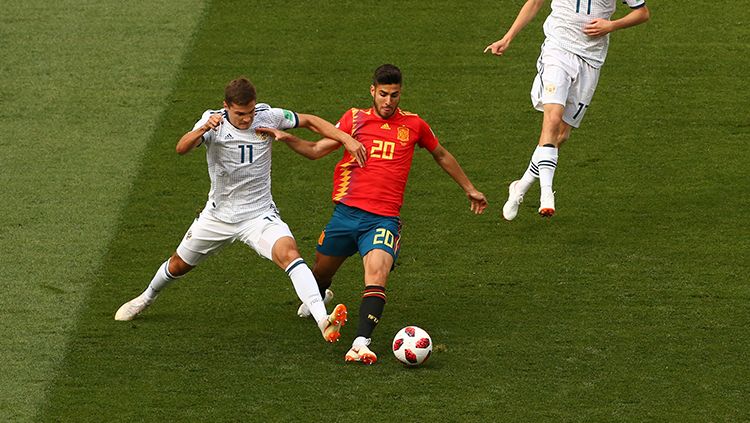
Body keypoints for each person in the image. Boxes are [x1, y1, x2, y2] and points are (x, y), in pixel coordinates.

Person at [257, 64, 488, 364]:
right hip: (345, 216)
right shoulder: (354, 120)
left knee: (377, 274)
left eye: (394, 95)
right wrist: (287, 138)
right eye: (383, 94)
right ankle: (320, 295)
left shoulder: (415, 125)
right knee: (320, 273)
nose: (389, 102)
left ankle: (360, 342)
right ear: (372, 91)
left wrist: (469, 188)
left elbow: (441, 154)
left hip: (383, 220)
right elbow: (316, 149)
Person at [114, 77, 368, 345]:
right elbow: (181, 148)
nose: (247, 120)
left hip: (259, 216)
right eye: (240, 114)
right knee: (178, 265)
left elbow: (310, 121)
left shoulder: (268, 116)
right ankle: (146, 298)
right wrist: (202, 129)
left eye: (249, 112)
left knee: (290, 253)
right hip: (218, 217)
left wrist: (346, 139)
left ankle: (322, 319)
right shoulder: (212, 123)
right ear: (226, 107)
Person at [484, 0, 650, 219]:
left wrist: (611, 26)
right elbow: (535, 2)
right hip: (558, 50)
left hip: (591, 59)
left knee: (561, 134)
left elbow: (642, 13)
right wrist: (508, 37)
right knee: (552, 119)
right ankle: (546, 195)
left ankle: (520, 187)